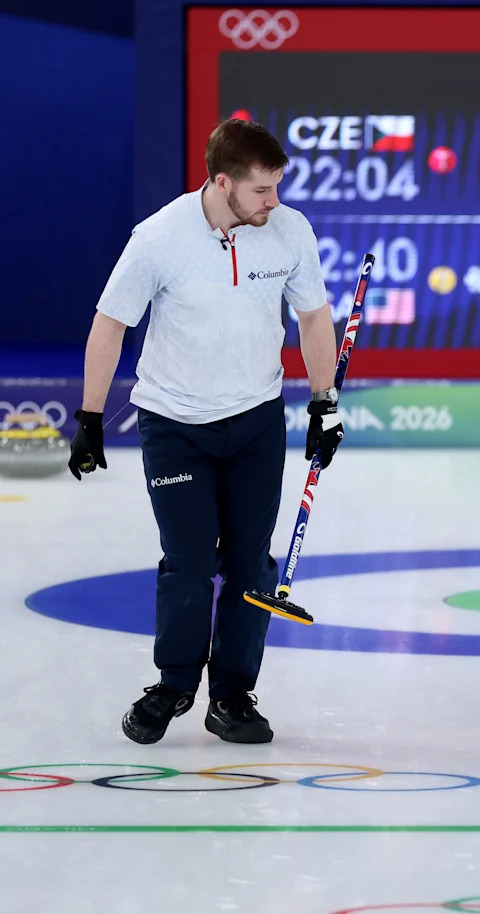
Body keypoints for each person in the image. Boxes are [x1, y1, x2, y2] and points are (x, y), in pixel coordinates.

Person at [68, 118, 345, 746]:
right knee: (190, 562)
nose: (274, 202)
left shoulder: (289, 231)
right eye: (261, 191)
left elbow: (313, 317)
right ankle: (173, 684)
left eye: (277, 187)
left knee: (251, 564)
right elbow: (110, 324)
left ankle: (232, 696)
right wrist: (89, 418)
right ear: (222, 183)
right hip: (176, 424)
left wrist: (324, 403)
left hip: (255, 420)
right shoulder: (160, 238)